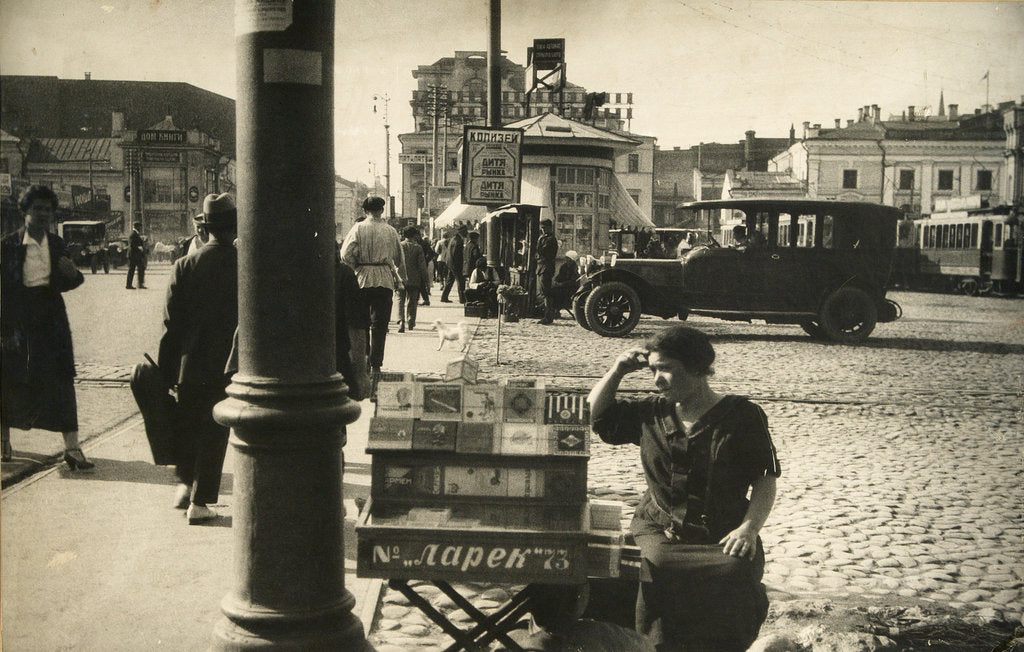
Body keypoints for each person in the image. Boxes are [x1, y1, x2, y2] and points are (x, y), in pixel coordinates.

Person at [588, 325, 781, 650]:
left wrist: (748, 529)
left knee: (734, 572)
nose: (656, 380)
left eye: (666, 369)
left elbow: (765, 478)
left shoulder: (743, 415)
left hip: (723, 531)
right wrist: (618, 369)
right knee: (658, 567)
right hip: (660, 529)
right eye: (652, 370)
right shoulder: (651, 412)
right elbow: (592, 414)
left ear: (696, 368)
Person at [158, 192, 238, 524]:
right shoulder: (245, 264)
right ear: (234, 227)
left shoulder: (184, 265)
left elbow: (170, 325)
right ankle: (200, 501)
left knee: (189, 423)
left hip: (190, 362)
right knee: (215, 430)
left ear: (204, 229)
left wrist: (166, 373)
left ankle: (185, 484)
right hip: (229, 362)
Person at [0, 185, 91, 469]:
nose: (42, 214)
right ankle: (4, 441)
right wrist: (5, 329)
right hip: (18, 317)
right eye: (36, 208)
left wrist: (73, 274)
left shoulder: (57, 244)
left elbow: (70, 281)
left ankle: (72, 448)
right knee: (9, 379)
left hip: (51, 318)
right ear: (24, 211)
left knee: (61, 379)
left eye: (47, 210)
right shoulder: (7, 245)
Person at [340, 196, 406, 393]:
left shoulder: (358, 229)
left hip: (362, 279)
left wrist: (356, 265)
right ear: (382, 210)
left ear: (364, 210)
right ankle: (377, 364)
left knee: (362, 322)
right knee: (380, 324)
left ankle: (366, 360)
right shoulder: (390, 231)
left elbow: (345, 253)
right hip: (384, 279)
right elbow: (399, 258)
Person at [397, 226, 428, 332]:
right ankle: (410, 320)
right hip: (414, 278)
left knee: (400, 300)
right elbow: (422, 266)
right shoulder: (418, 248)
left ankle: (401, 321)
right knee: (412, 300)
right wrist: (426, 280)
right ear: (414, 235)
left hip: (400, 277)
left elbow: (395, 262)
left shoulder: (399, 246)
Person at [536, 218, 559, 324]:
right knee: (543, 292)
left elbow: (544, 252)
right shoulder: (543, 238)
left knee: (547, 293)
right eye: (542, 228)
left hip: (546, 268)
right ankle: (547, 315)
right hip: (541, 267)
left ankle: (548, 316)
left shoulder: (551, 239)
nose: (543, 230)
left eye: (545, 228)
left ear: (550, 227)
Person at [548, 250, 581, 318]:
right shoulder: (564, 266)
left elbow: (573, 281)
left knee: (557, 293)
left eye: (568, 259)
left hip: (571, 289)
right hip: (562, 287)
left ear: (572, 260)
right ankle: (554, 310)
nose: (566, 260)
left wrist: (562, 284)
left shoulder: (575, 268)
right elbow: (559, 276)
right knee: (551, 291)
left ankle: (556, 310)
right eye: (566, 258)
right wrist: (556, 281)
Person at [440, 225, 466, 303]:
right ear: (462, 232)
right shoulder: (458, 241)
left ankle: (444, 297)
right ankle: (462, 299)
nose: (467, 233)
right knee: (460, 281)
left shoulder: (453, 239)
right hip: (455, 264)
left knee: (450, 280)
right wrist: (460, 264)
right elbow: (456, 254)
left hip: (450, 263)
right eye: (465, 231)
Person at [126, 220, 147, 289]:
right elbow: (132, 245)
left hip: (136, 255)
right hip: (133, 255)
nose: (140, 229)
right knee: (132, 270)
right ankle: (130, 285)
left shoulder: (135, 234)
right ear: (137, 227)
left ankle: (139, 284)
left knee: (139, 269)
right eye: (139, 227)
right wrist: (139, 248)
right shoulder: (133, 234)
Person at [418, 232, 434, 306]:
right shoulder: (420, 243)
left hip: (421, 265)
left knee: (421, 282)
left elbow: (431, 253)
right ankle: (423, 299)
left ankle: (425, 299)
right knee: (420, 283)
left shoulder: (423, 243)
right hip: (419, 265)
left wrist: (425, 260)